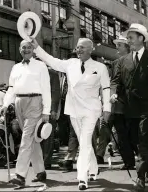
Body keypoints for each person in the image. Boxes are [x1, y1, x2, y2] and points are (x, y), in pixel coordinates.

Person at [32, 37, 111, 190]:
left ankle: (82, 178)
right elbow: (51, 60)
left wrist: (107, 108)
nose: (78, 50)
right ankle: (94, 169)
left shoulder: (100, 67)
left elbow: (106, 88)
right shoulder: (70, 64)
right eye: (77, 48)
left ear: (91, 49)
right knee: (84, 142)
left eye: (82, 47)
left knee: (85, 140)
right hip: (74, 109)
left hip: (91, 109)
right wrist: (37, 48)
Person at [111, 24, 148, 191]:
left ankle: (140, 177)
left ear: (141, 38)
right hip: (129, 107)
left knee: (144, 138)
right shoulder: (123, 61)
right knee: (135, 141)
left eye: (131, 37)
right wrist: (114, 93)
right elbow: (116, 81)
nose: (128, 40)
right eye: (128, 37)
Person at [0, 40, 51, 188]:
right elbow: (11, 88)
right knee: (32, 139)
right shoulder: (15, 67)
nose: (26, 50)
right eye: (24, 47)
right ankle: (40, 171)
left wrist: (46, 110)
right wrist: (5, 104)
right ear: (20, 50)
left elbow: (46, 89)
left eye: (29, 47)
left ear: (33, 50)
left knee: (26, 139)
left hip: (35, 102)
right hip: (19, 103)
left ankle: (20, 175)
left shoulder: (41, 66)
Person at [97, 35, 130, 165]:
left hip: (123, 105)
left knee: (123, 133)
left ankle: (129, 158)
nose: (117, 47)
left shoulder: (132, 61)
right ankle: (99, 155)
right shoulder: (115, 63)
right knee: (104, 128)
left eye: (120, 45)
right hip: (109, 105)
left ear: (127, 47)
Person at [40, 66, 61, 169]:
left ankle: (46, 160)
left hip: (47, 109)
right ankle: (37, 160)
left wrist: (53, 109)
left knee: (47, 134)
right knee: (35, 135)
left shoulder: (52, 73)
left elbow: (55, 92)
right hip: (33, 108)